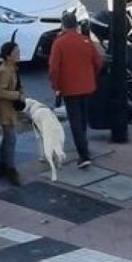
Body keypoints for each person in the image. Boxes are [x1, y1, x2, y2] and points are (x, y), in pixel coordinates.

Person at [48, 11, 103, 168]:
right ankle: (84, 146)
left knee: (75, 121)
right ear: (76, 24)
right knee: (83, 119)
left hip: (70, 89)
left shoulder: (59, 43)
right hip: (87, 86)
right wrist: (91, 76)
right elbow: (98, 62)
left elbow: (54, 68)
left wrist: (56, 86)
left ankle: (84, 155)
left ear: (63, 25)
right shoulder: (85, 40)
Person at [0, 42, 24, 186]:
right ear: (8, 55)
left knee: (7, 139)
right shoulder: (4, 71)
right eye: (15, 52)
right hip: (5, 111)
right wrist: (17, 95)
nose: (18, 54)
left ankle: (2, 166)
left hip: (11, 109)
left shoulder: (13, 68)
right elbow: (0, 92)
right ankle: (10, 170)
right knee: (11, 139)